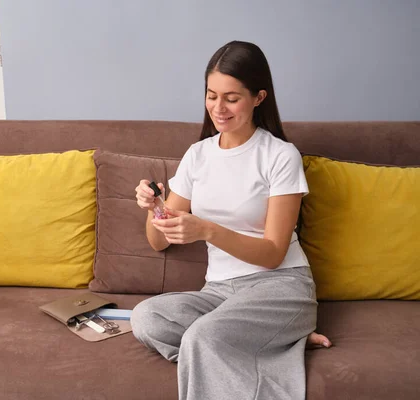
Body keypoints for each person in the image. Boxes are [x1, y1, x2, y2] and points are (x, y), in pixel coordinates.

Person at [131, 40, 331, 400]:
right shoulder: (198, 155)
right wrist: (153, 208)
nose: (217, 109)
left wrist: (206, 229)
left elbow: (273, 253)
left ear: (258, 97)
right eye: (211, 95)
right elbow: (158, 241)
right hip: (220, 294)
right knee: (146, 318)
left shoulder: (280, 156)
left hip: (280, 287)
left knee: (202, 337)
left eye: (231, 98)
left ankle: (268, 336)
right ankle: (267, 346)